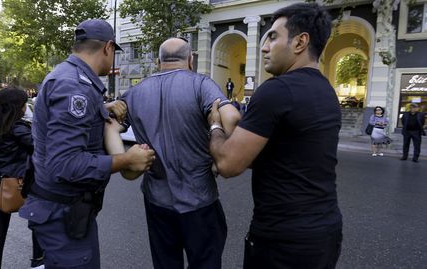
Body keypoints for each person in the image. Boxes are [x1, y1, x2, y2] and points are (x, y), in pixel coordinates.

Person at [208, 3, 342, 268]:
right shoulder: (327, 91)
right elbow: (284, 155)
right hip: (325, 233)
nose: (263, 46)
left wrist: (215, 126)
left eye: (273, 36)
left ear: (300, 42)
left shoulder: (276, 91)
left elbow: (227, 164)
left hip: (283, 240)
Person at [18, 19, 155, 269]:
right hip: (62, 212)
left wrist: (100, 108)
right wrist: (126, 159)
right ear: (108, 47)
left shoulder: (68, 77)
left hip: (65, 209)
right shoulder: (75, 87)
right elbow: (66, 163)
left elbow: (60, 121)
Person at [108, 37, 241, 269]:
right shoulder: (201, 84)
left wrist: (126, 164)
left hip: (157, 201)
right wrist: (219, 155)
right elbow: (232, 119)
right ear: (190, 60)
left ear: (159, 61)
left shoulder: (135, 92)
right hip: (200, 200)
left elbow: (109, 125)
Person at [0, 86, 44, 269]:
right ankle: (38, 262)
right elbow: (41, 148)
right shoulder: (18, 129)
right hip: (18, 187)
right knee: (39, 222)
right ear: (19, 107)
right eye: (25, 103)